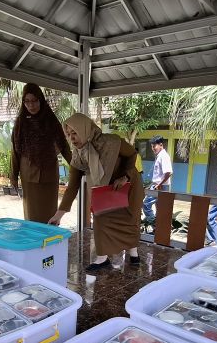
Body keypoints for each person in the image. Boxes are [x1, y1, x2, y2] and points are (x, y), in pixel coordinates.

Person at [49, 113, 143, 270]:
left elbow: (132, 154)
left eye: (75, 133)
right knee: (101, 218)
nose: (72, 138)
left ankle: (134, 253)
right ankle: (102, 259)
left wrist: (125, 176)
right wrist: (59, 215)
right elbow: (72, 186)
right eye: (69, 134)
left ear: (85, 129)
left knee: (129, 220)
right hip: (105, 190)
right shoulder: (78, 156)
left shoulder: (112, 142)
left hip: (127, 185)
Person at [10, 83, 72, 223]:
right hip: (29, 175)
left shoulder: (51, 120)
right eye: (27, 101)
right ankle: (35, 244)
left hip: (49, 174)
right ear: (23, 102)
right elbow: (15, 151)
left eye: (34, 101)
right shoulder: (20, 123)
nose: (31, 105)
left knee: (51, 214)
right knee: (32, 216)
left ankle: (51, 243)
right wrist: (13, 175)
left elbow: (63, 146)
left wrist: (76, 166)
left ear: (41, 100)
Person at [142, 135, 173, 222]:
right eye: (152, 146)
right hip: (157, 185)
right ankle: (158, 227)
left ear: (161, 145)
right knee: (159, 208)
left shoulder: (164, 156)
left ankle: (152, 223)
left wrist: (159, 184)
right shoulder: (159, 156)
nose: (153, 148)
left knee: (146, 204)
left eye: (154, 146)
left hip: (160, 186)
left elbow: (169, 172)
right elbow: (158, 175)